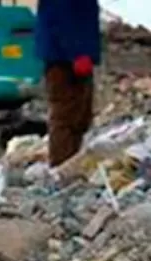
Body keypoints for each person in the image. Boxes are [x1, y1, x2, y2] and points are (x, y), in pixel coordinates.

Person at [35, 0, 101, 166]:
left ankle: (72, 161)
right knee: (65, 116)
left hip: (73, 54)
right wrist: (76, 53)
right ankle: (61, 165)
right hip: (64, 58)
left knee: (80, 116)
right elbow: (61, 18)